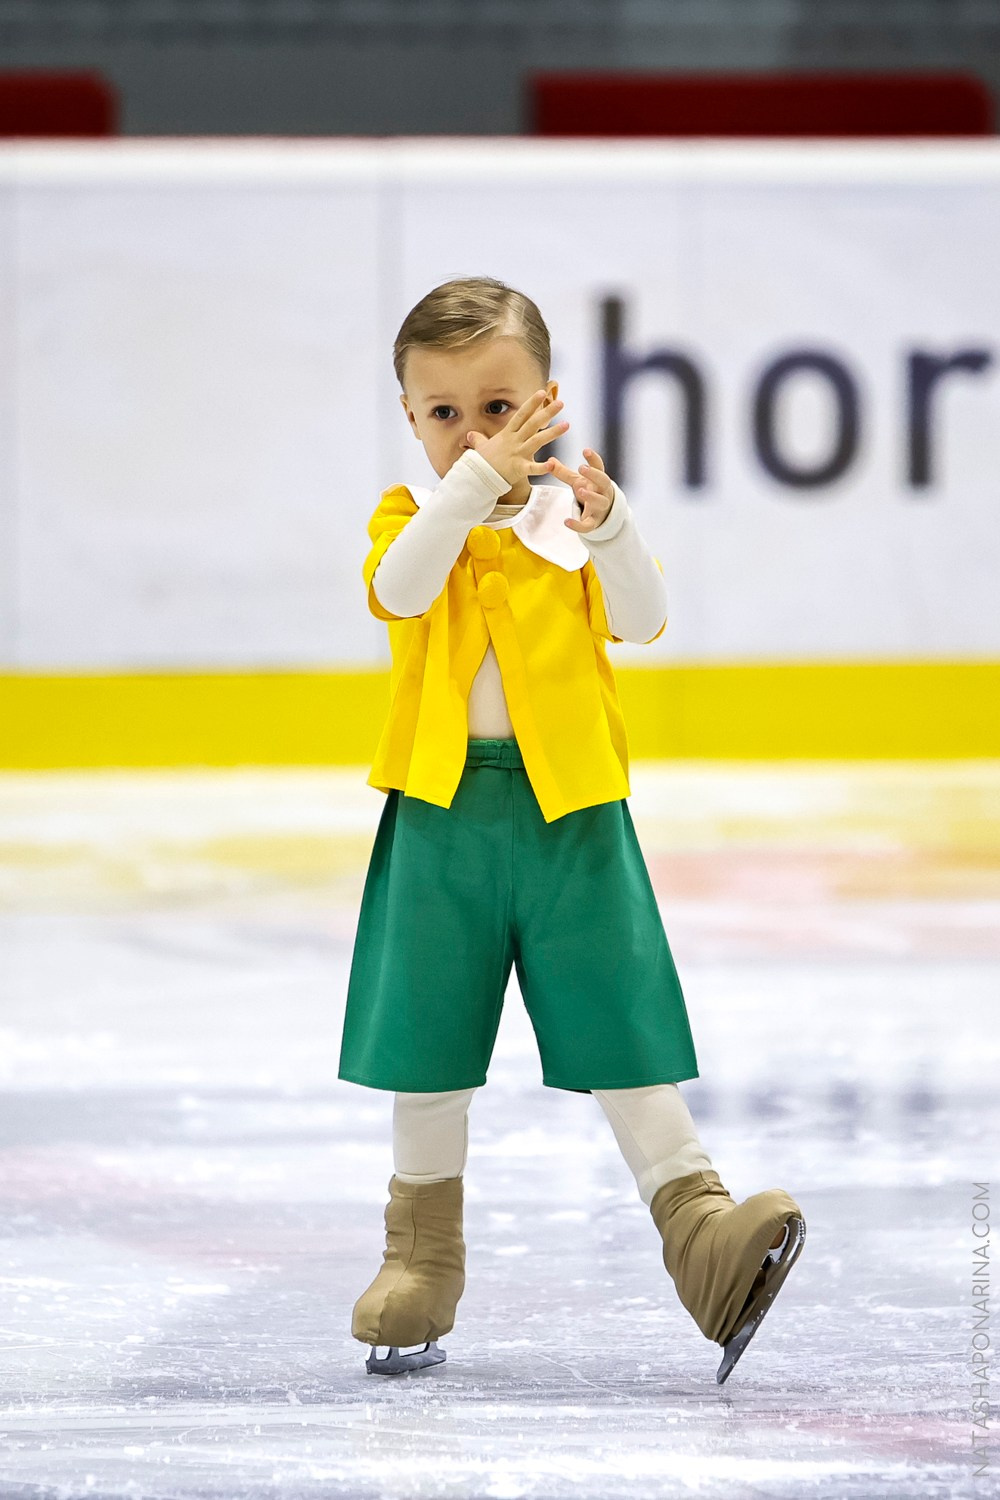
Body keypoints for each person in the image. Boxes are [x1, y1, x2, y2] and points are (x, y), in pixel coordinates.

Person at [338, 276, 805, 1384]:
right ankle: (420, 1259)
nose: (474, 435)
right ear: (410, 417)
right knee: (429, 1040)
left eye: (498, 409)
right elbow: (402, 592)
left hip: (576, 815)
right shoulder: (411, 520)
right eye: (444, 413)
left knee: (619, 1022)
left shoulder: (571, 524)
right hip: (442, 816)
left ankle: (702, 1236)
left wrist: (615, 530)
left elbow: (645, 619)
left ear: (545, 401)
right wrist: (470, 486)